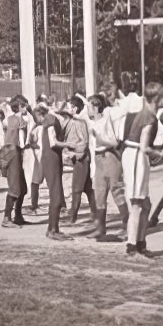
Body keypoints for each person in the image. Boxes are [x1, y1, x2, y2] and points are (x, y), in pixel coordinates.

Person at [121, 82, 163, 257]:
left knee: (146, 205)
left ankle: (140, 243)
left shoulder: (145, 113)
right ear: (158, 98)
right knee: (137, 204)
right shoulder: (149, 117)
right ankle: (131, 246)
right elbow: (145, 147)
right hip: (136, 156)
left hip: (136, 155)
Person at [87, 93, 128, 242]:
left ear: (96, 107)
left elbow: (113, 142)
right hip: (98, 160)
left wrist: (99, 137)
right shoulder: (92, 123)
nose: (87, 109)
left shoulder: (106, 120)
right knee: (99, 193)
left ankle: (127, 226)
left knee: (117, 191)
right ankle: (100, 228)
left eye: (89, 106)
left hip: (110, 157)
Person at [34, 100, 68, 240]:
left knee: (56, 193)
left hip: (50, 159)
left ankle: (53, 228)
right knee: (56, 194)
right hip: (52, 159)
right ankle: (53, 229)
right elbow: (54, 143)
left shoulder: (47, 124)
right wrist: (70, 144)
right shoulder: (51, 123)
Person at [59, 96, 95, 228]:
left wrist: (74, 153)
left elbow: (83, 142)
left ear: (75, 108)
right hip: (80, 159)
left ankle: (72, 217)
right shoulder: (76, 120)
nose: (68, 110)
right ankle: (95, 214)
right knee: (88, 188)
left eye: (69, 107)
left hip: (81, 159)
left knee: (76, 189)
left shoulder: (80, 122)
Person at [0, 97, 29, 227]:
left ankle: (17, 215)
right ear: (20, 107)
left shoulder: (10, 119)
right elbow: (22, 142)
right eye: (25, 106)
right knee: (16, 187)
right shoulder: (19, 120)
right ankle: (7, 218)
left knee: (21, 188)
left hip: (8, 152)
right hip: (14, 153)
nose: (27, 108)